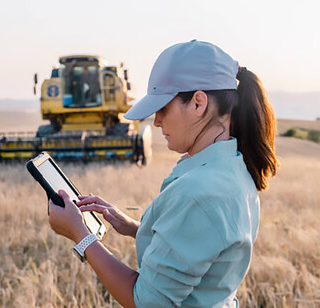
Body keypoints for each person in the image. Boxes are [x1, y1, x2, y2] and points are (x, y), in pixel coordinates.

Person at [48, 40, 278, 307]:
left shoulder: (198, 192)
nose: (156, 121)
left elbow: (145, 301)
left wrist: (81, 236)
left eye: (163, 108)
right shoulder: (234, 167)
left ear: (198, 103)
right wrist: (137, 228)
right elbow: (203, 247)